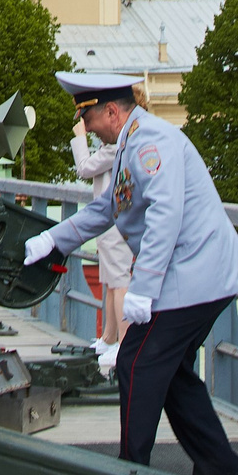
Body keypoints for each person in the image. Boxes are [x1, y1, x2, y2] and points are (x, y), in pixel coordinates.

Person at [24, 70, 238, 475]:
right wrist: (51, 240)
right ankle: (221, 469)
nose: (90, 131)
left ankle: (131, 471)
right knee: (172, 372)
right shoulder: (132, 142)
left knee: (136, 361)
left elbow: (166, 216)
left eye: (90, 120)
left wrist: (143, 290)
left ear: (111, 112)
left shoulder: (151, 144)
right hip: (198, 275)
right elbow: (107, 210)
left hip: (195, 276)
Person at [70, 106, 136, 347]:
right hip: (110, 224)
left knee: (119, 284)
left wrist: (80, 139)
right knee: (111, 283)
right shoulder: (117, 143)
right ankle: (109, 339)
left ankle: (123, 345)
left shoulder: (116, 145)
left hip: (113, 224)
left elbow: (84, 168)